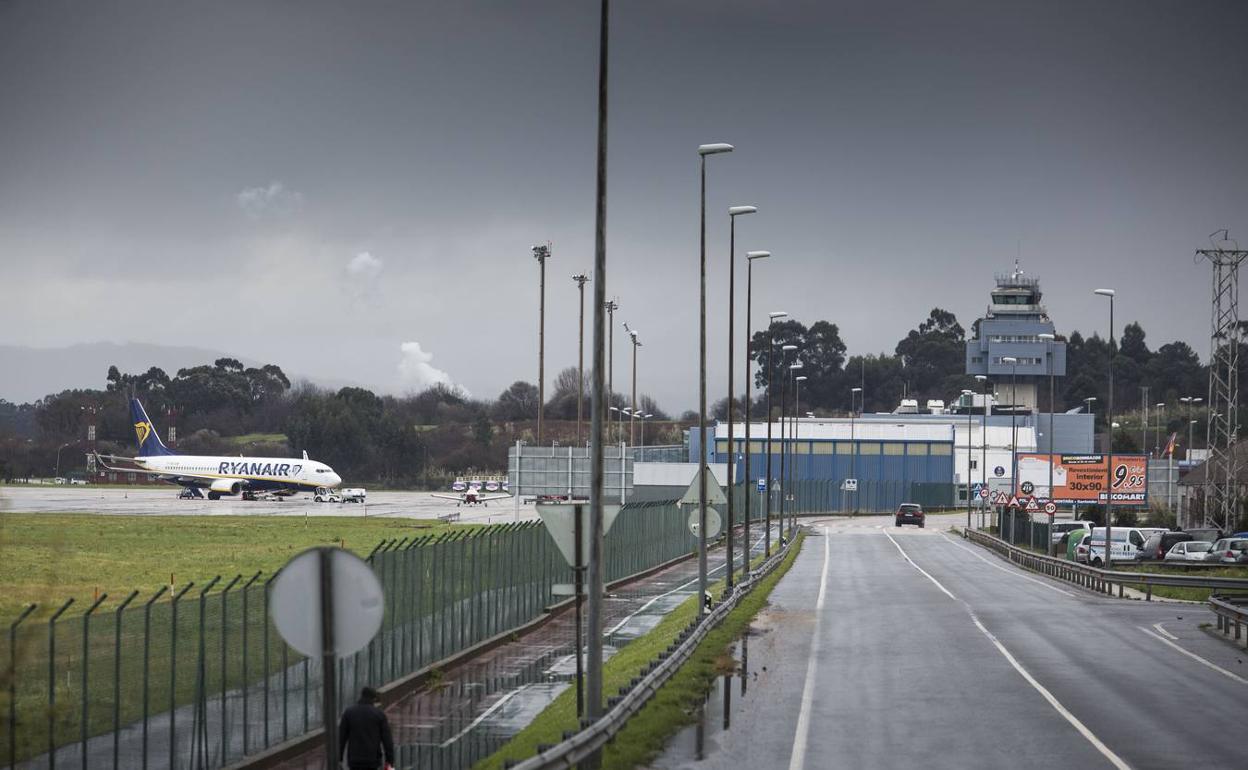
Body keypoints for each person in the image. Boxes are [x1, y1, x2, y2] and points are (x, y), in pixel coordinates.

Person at [339, 687, 395, 770]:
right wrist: (389, 760)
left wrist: (338, 758)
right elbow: (387, 740)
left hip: (354, 759)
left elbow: (341, 738)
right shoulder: (379, 715)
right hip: (372, 760)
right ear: (373, 699)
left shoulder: (349, 713)